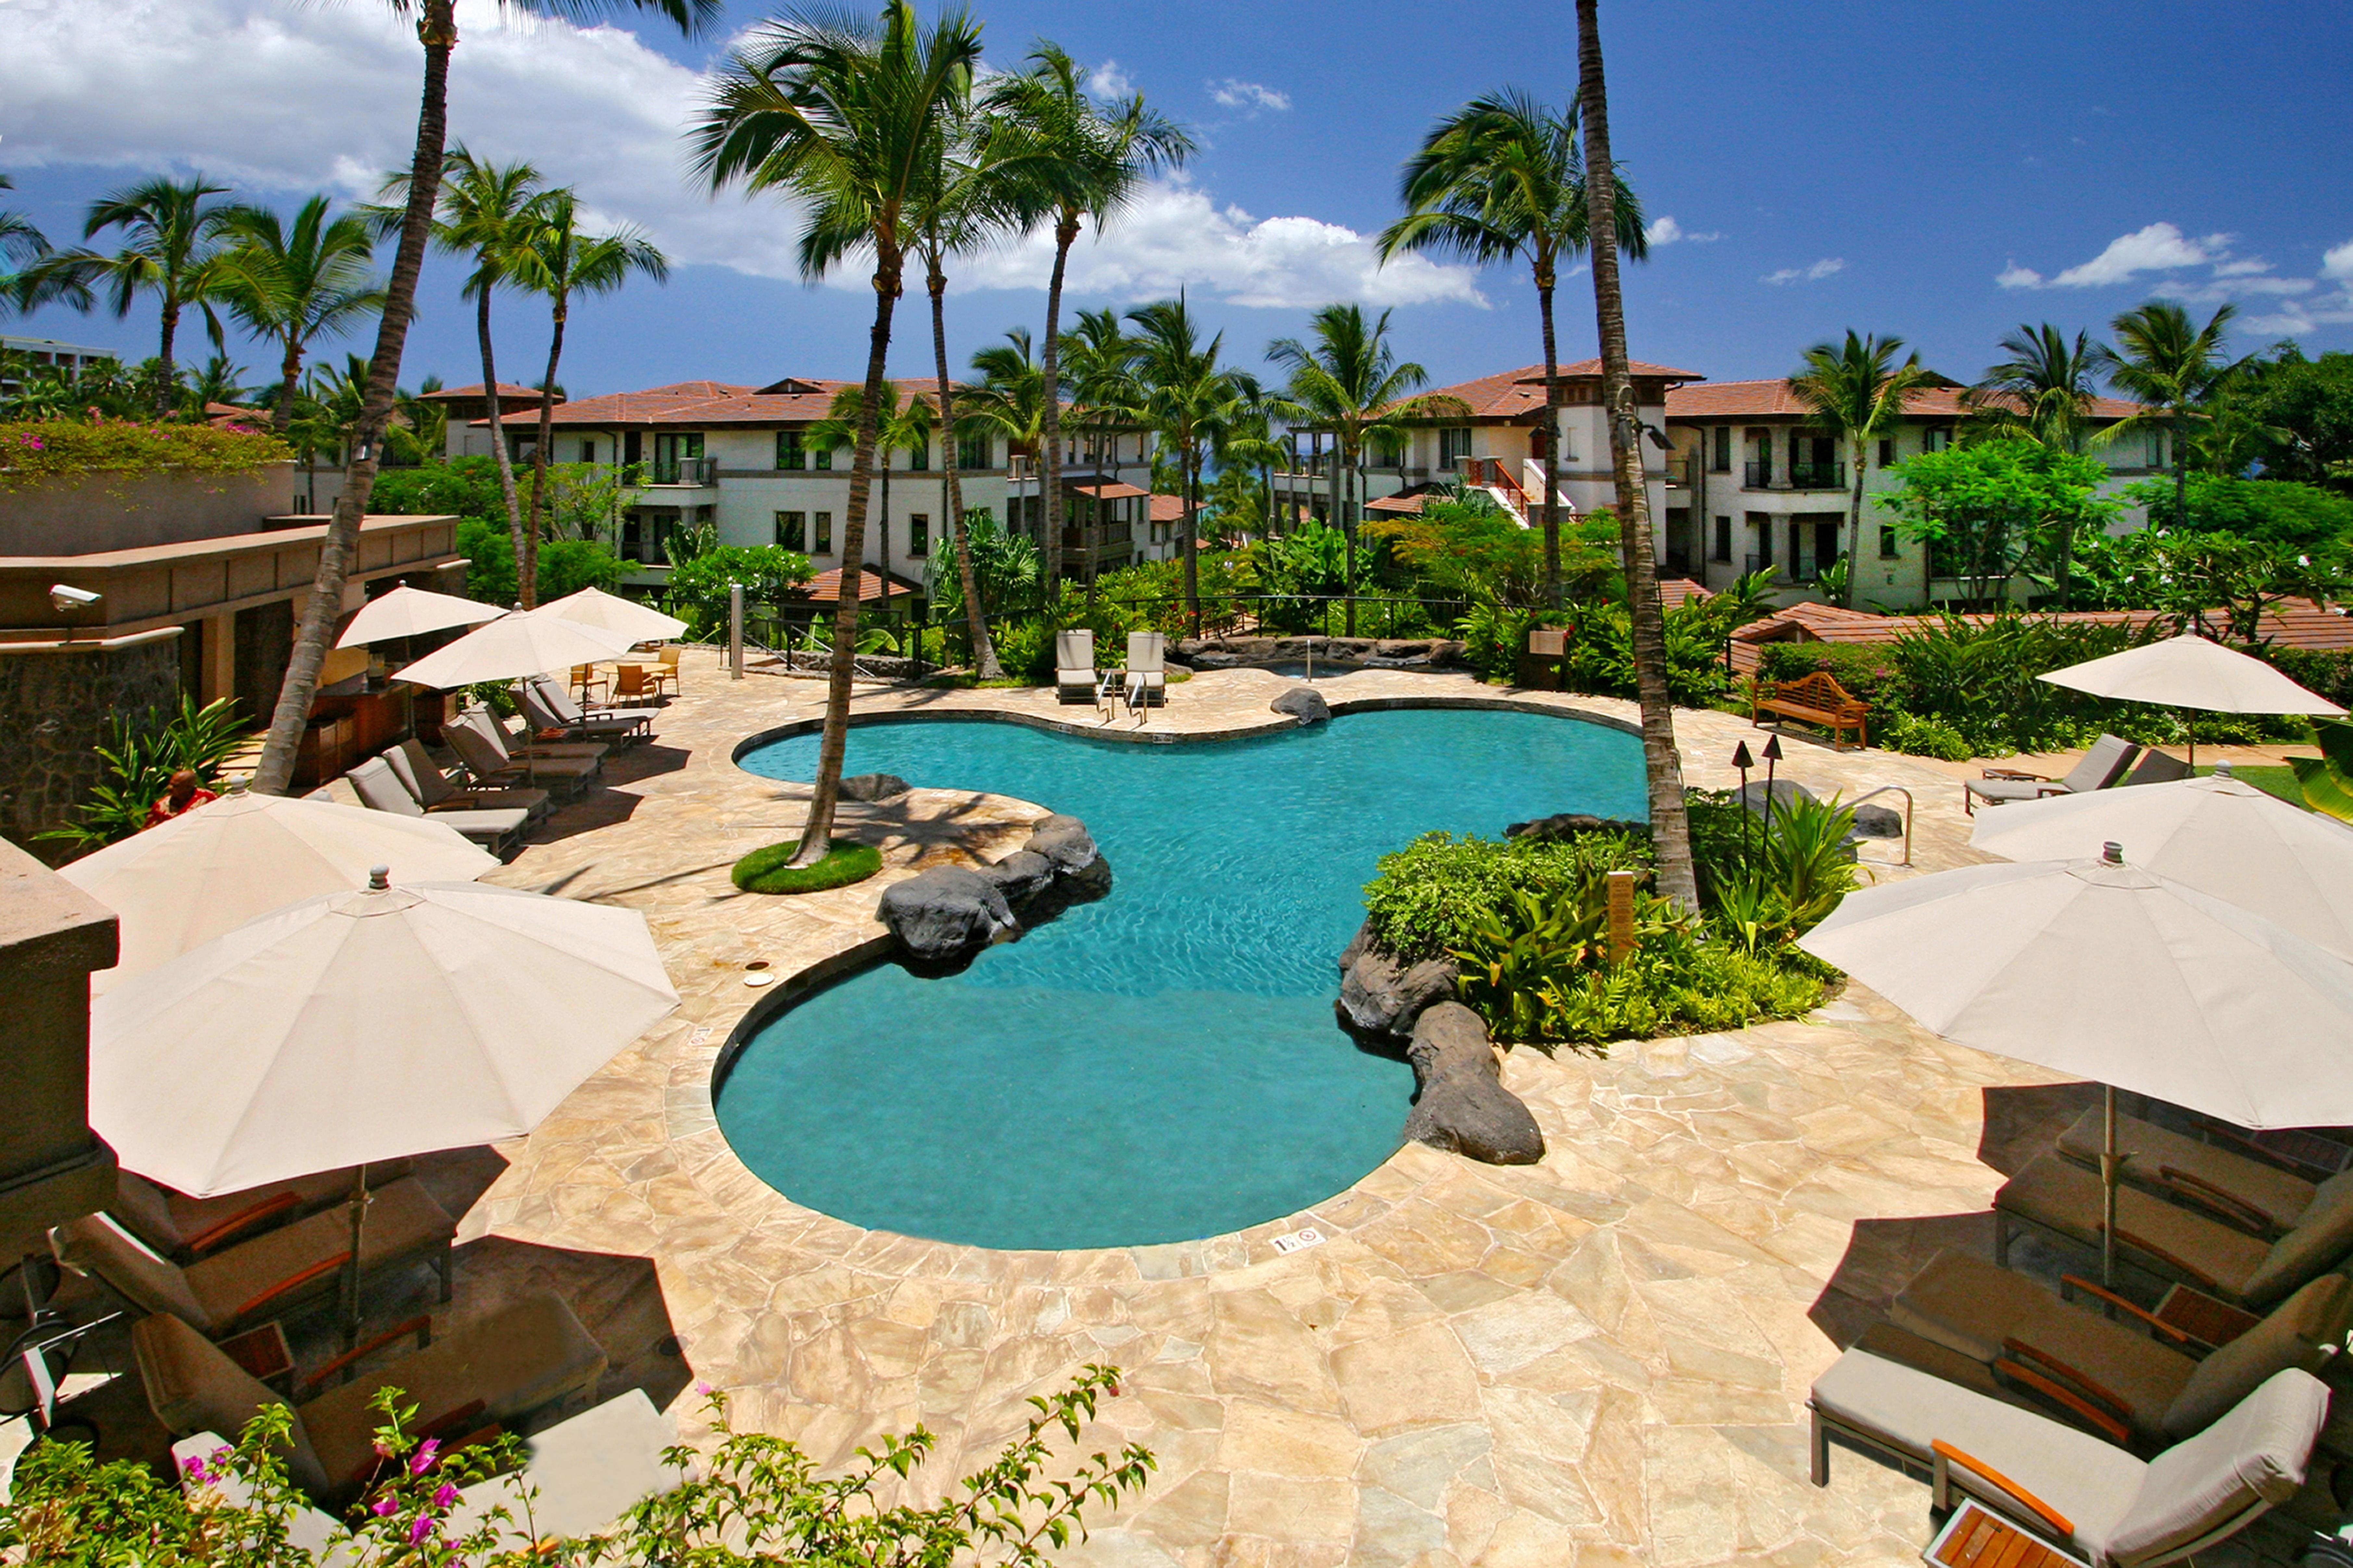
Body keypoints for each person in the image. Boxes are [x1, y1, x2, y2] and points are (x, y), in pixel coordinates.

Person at [143, 769, 218, 830]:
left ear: (188, 788)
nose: (169, 788)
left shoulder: (208, 799)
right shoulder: (161, 806)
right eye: (170, 784)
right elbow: (148, 829)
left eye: (175, 786)